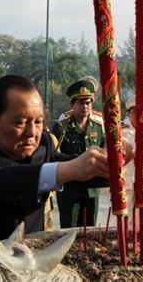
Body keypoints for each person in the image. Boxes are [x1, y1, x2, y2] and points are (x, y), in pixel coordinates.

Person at [0, 75, 118, 248]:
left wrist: (113, 160)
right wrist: (64, 170)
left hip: (25, 265)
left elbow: (82, 171)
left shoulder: (44, 145)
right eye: (21, 122)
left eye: (38, 122)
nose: (32, 132)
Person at [52, 80, 105, 228]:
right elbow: (55, 157)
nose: (85, 106)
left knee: (90, 231)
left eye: (88, 102)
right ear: (72, 105)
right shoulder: (62, 128)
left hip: (92, 190)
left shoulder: (99, 127)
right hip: (70, 189)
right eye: (80, 103)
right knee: (69, 231)